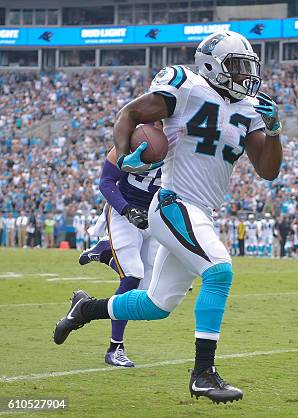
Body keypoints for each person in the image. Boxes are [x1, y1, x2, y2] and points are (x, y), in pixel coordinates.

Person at [53, 30, 283, 403]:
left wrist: (273, 131)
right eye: (237, 66)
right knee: (220, 270)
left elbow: (268, 169)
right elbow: (130, 113)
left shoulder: (250, 107)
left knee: (155, 305)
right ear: (212, 65)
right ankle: (203, 374)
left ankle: (85, 308)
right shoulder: (187, 86)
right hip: (174, 201)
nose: (245, 75)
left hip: (202, 211)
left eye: (248, 67)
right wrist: (126, 152)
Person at [79, 144, 162, 367]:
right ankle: (115, 348)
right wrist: (126, 209)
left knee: (147, 294)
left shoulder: (182, 140)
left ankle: (106, 253)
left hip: (154, 217)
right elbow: (106, 181)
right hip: (124, 211)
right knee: (132, 276)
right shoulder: (133, 138)